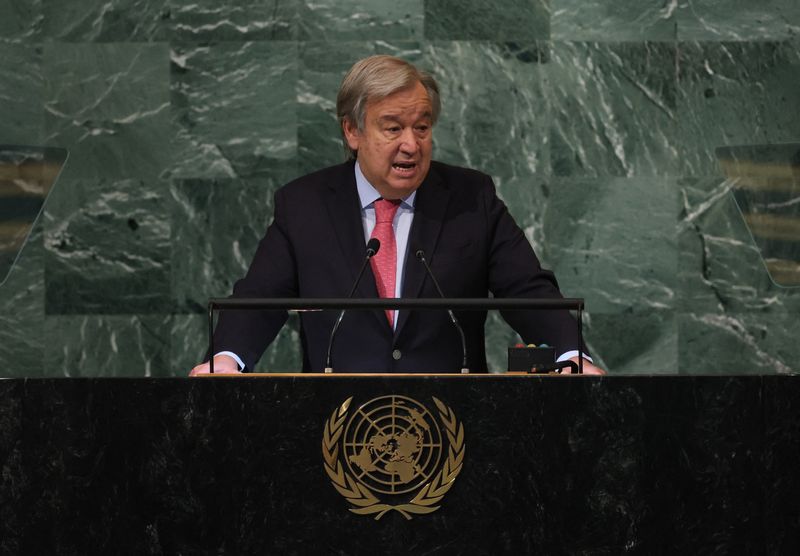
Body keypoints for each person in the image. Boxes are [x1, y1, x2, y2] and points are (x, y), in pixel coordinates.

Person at [190, 55, 604, 376]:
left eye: (422, 128)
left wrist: (571, 355)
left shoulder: (469, 198)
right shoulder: (305, 205)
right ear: (352, 131)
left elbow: (527, 291)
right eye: (392, 128)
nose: (411, 144)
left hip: (453, 428)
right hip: (336, 429)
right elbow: (259, 300)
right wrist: (226, 360)